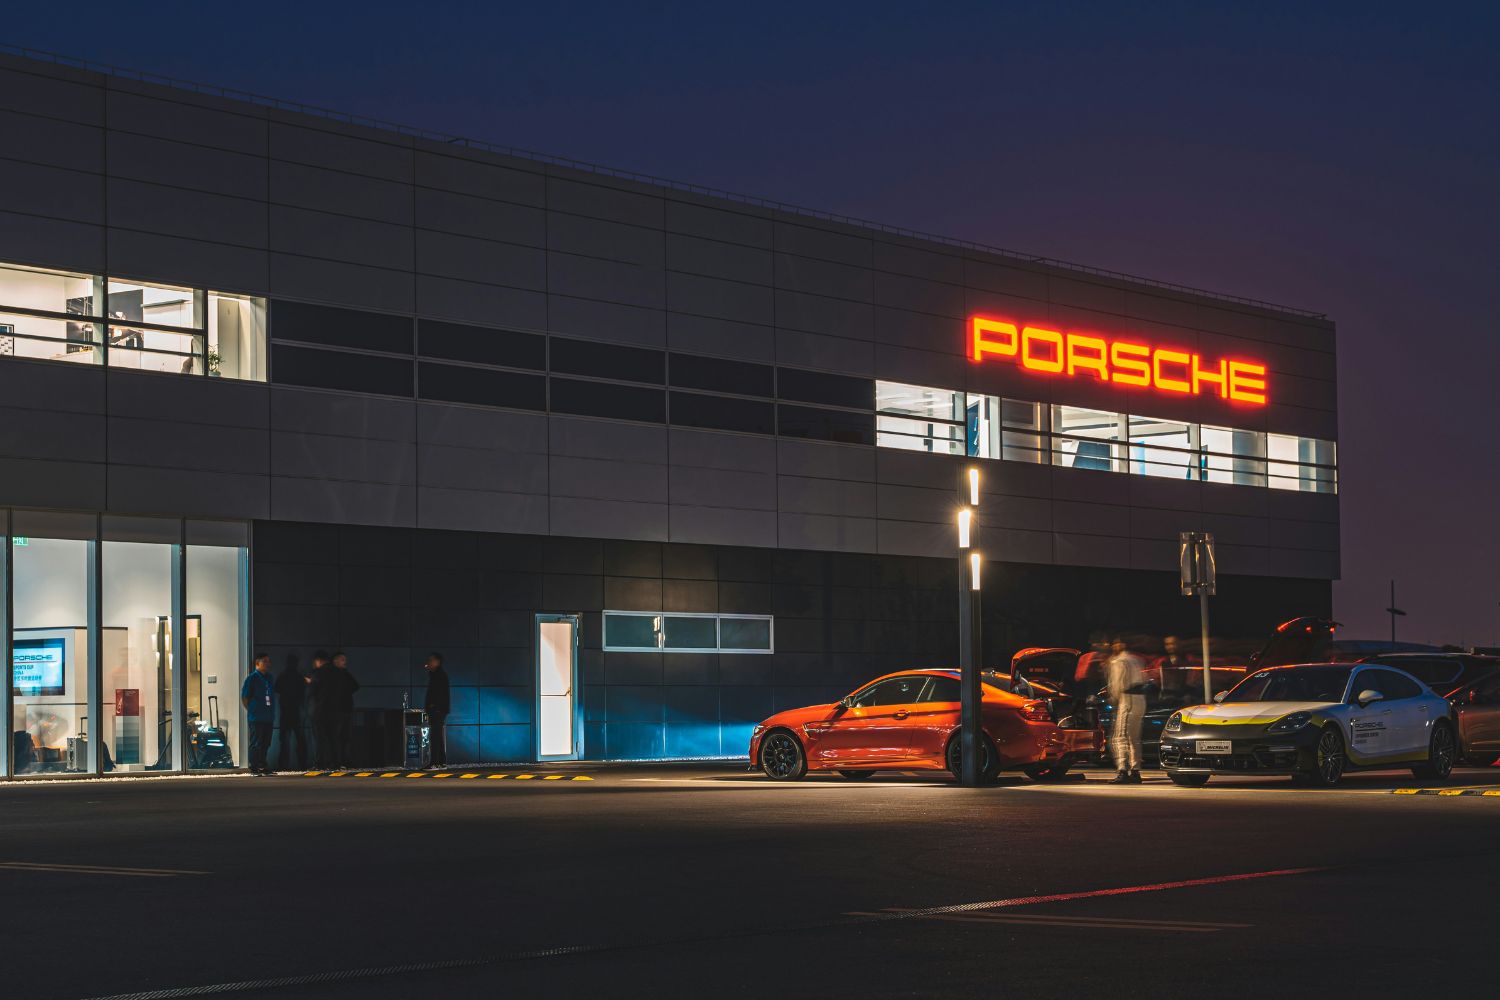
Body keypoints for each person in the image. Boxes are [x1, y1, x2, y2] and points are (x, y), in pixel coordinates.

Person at [1106, 636, 1149, 784]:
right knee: (1134, 738)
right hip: (1140, 699)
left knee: (1120, 736)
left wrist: (1114, 698)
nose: (1114, 646)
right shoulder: (1137, 660)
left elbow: (1118, 684)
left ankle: (1122, 771)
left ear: (1121, 645)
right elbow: (1145, 678)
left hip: (1127, 699)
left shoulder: (1119, 661)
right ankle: (1135, 771)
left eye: (1116, 643)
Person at [241, 654, 276, 776]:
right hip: (256, 716)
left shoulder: (270, 678)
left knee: (266, 742)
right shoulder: (252, 678)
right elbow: (245, 697)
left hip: (268, 716)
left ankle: (263, 765)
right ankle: (254, 767)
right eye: (264, 661)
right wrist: (251, 710)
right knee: (256, 742)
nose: (267, 664)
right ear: (257, 663)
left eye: (268, 661)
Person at [274, 653, 310, 771]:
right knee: (300, 740)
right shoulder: (299, 676)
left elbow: (277, 688)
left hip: (285, 711)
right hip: (296, 711)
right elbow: (303, 693)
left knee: (284, 741)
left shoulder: (283, 676)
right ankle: (302, 764)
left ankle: (283, 765)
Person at [308, 651, 338, 768]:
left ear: (318, 660)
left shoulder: (318, 673)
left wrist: (310, 683)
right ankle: (334, 763)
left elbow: (312, 691)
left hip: (319, 711)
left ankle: (319, 763)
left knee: (319, 738)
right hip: (334, 710)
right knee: (333, 738)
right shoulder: (337, 672)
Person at [332, 651, 360, 768]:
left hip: (346, 709)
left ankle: (345, 760)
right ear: (336, 661)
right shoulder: (333, 674)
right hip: (338, 710)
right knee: (338, 737)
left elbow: (356, 685)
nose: (345, 662)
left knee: (346, 737)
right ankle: (337, 761)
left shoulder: (345, 674)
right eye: (342, 660)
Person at [422, 653, 451, 768]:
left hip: (437, 710)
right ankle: (441, 761)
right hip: (439, 709)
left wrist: (434, 707)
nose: (429, 663)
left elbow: (438, 694)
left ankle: (435, 762)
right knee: (437, 735)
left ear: (437, 662)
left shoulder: (438, 675)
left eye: (431, 660)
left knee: (435, 736)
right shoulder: (437, 675)